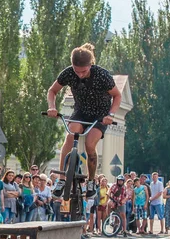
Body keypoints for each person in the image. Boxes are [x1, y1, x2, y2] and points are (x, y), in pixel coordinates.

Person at [47, 43, 122, 199]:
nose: (80, 74)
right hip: (80, 112)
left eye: (84, 71)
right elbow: (52, 91)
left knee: (89, 144)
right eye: (77, 70)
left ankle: (91, 180)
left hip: (100, 115)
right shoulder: (68, 73)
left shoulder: (102, 75)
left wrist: (111, 114)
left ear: (90, 64)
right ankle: (62, 179)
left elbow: (117, 95)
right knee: (69, 136)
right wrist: (52, 107)